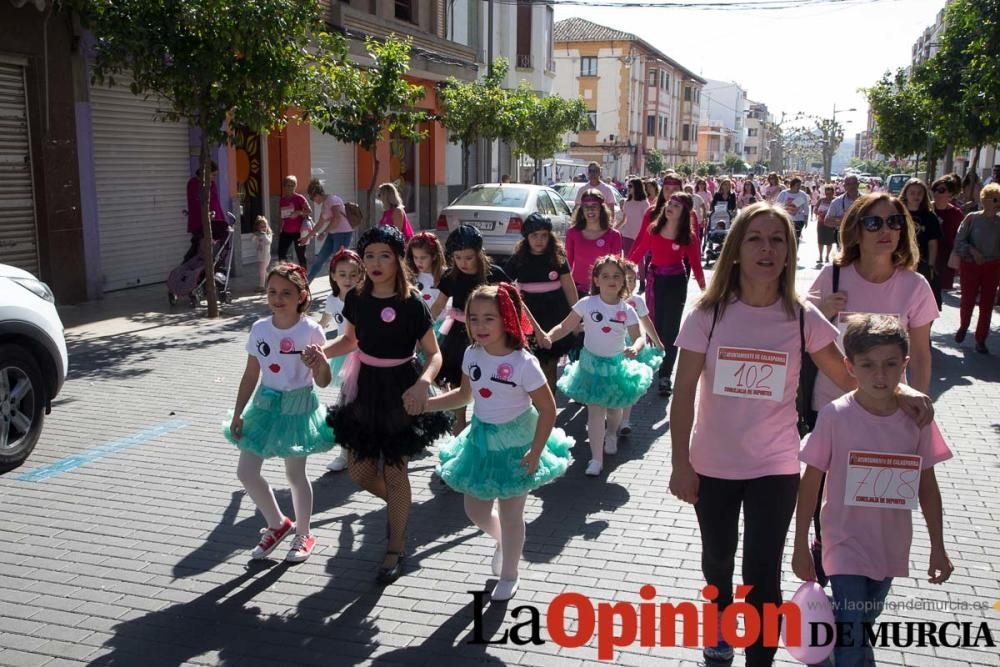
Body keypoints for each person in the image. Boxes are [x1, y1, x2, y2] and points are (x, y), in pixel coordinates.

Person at [793, 314, 953, 667]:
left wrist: (938, 547)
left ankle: (830, 633)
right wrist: (800, 542)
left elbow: (928, 486)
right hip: (843, 542)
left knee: (864, 619)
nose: (879, 376)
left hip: (890, 545)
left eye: (890, 364)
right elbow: (811, 480)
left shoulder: (917, 418)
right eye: (867, 365)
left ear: (904, 365)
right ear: (850, 366)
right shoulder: (836, 416)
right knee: (854, 634)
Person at [323, 225, 452, 584]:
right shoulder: (357, 298)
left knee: (397, 472)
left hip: (401, 389)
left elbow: (434, 355)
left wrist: (424, 384)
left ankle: (395, 545)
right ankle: (400, 508)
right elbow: (349, 341)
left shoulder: (412, 303)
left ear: (398, 259)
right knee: (359, 472)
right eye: (369, 256)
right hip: (363, 388)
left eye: (384, 255)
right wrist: (320, 353)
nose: (376, 262)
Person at [429, 284, 574, 601]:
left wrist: (536, 452)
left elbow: (548, 408)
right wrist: (426, 405)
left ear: (506, 318)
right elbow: (465, 395)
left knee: (511, 513)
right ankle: (505, 542)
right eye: (474, 318)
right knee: (475, 509)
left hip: (518, 442)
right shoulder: (471, 353)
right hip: (481, 441)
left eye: (488, 319)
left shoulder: (524, 362)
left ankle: (510, 573)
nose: (480, 326)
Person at [225, 263, 334, 563]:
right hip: (263, 406)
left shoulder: (311, 330)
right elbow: (250, 375)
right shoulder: (259, 328)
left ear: (301, 295)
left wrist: (320, 364)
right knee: (246, 472)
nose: (278, 298)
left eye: (286, 292)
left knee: (294, 474)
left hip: (298, 407)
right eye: (272, 291)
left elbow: (323, 381)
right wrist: (238, 413)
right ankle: (277, 523)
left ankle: (304, 532)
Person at [543, 255, 653, 477]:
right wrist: (549, 336)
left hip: (615, 367)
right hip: (590, 366)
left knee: (614, 411)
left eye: (616, 276)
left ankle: (611, 433)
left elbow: (638, 337)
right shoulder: (587, 303)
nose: (611, 280)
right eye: (605, 276)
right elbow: (565, 326)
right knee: (595, 411)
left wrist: (637, 348)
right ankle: (596, 459)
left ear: (623, 281)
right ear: (596, 280)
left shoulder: (627, 310)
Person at [430, 225, 511, 434]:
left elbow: (511, 306)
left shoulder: (494, 274)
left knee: (489, 385)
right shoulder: (451, 276)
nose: (462, 263)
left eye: (468, 257)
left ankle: (485, 429)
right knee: (460, 389)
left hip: (490, 336)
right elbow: (438, 305)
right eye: (457, 257)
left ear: (479, 253)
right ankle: (458, 436)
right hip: (459, 336)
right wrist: (421, 327)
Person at [626, 191, 706, 398]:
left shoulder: (688, 237)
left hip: (676, 282)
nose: (670, 206)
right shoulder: (654, 229)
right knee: (655, 327)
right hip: (656, 282)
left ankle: (665, 375)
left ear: (685, 213)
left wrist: (706, 290)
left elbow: (696, 264)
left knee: (671, 331)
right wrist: (624, 268)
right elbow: (640, 251)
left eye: (677, 206)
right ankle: (656, 364)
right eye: (670, 203)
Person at [504, 213, 579, 391]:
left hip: (554, 313)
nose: (539, 240)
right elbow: (504, 285)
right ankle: (531, 405)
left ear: (550, 236)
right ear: (526, 237)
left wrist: (576, 316)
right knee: (529, 362)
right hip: (528, 314)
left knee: (550, 363)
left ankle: (549, 406)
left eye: (544, 235)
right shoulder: (518, 259)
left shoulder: (557, 256)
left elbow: (569, 287)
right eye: (534, 235)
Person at [319, 249, 365, 473]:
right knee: (346, 404)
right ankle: (345, 453)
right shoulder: (332, 300)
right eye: (343, 274)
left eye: (353, 274)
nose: (348, 279)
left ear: (361, 276)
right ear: (333, 276)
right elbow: (324, 323)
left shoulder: (367, 298)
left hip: (369, 358)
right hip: (346, 358)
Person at [618, 259, 665, 434]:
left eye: (632, 279)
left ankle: (625, 421)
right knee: (617, 383)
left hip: (633, 347)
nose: (629, 284)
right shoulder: (609, 299)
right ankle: (613, 415)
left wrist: (658, 342)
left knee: (629, 384)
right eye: (625, 279)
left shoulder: (637, 300)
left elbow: (647, 322)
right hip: (614, 348)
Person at [953, 182, 1000, 353]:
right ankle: (964, 326)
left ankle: (981, 339)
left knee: (987, 304)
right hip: (971, 265)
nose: (998, 203)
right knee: (968, 300)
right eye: (995, 199)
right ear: (985, 200)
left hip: (993, 266)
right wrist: (972, 251)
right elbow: (959, 241)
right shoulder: (972, 218)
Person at [565, 189, 623, 295]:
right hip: (577, 290)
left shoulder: (614, 235)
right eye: (586, 207)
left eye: (594, 206)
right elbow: (567, 264)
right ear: (581, 210)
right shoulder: (572, 233)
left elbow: (616, 267)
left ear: (601, 209)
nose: (590, 210)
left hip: (604, 291)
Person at [900, 178, 943, 310]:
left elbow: (933, 242)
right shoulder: (898, 213)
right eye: (912, 193)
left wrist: (931, 265)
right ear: (905, 194)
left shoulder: (930, 217)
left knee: (921, 300)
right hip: (900, 261)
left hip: (922, 262)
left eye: (919, 193)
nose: (916, 196)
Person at [301, 179, 355, 283]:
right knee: (320, 259)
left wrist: (324, 232)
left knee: (338, 262)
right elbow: (320, 223)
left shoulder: (332, 200)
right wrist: (307, 237)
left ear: (317, 194)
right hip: (333, 234)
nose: (313, 201)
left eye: (312, 198)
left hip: (343, 233)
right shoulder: (325, 204)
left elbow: (337, 218)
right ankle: (305, 284)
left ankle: (341, 288)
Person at [184, 161, 227, 262]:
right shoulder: (193, 183)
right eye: (213, 174)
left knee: (213, 251)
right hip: (200, 223)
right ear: (206, 172)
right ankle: (188, 268)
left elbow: (217, 204)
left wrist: (222, 221)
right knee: (198, 249)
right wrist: (207, 216)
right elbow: (195, 204)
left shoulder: (212, 184)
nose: (214, 178)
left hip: (214, 223)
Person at [405, 231, 447, 327]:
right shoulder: (411, 276)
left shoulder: (445, 275)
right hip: (418, 325)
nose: (419, 262)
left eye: (423, 258)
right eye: (415, 257)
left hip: (442, 325)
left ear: (434, 256)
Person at [931, 176, 964, 292]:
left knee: (941, 295)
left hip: (946, 261)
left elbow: (961, 237)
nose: (936, 193)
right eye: (935, 190)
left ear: (950, 194)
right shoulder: (926, 209)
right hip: (928, 258)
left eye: (941, 190)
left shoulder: (956, 214)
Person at [277, 176, 311, 268]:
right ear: (284, 186)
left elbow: (309, 211)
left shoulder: (299, 198)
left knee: (301, 256)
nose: (290, 187)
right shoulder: (282, 200)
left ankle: (304, 277)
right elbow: (281, 216)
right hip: (286, 232)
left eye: (293, 185)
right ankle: (283, 274)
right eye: (288, 185)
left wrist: (298, 212)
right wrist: (280, 229)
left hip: (298, 232)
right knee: (281, 254)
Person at [618, 177, 651, 256]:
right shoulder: (626, 203)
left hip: (640, 237)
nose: (628, 188)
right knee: (627, 259)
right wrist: (614, 228)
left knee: (640, 262)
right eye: (628, 186)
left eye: (630, 186)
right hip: (627, 235)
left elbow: (648, 222)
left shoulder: (644, 203)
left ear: (637, 187)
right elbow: (624, 220)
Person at [823, 174, 861, 239]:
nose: (851, 186)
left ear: (858, 184)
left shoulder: (866, 200)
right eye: (848, 184)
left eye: (854, 183)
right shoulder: (837, 202)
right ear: (844, 186)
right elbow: (827, 221)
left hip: (861, 235)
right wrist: (843, 220)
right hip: (843, 235)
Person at [776, 177, 810, 243]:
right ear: (792, 185)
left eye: (800, 185)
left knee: (795, 239)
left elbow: (806, 208)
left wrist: (806, 219)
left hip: (798, 220)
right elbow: (777, 205)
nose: (799, 187)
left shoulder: (802, 195)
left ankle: (794, 252)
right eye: (797, 185)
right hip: (785, 219)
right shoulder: (784, 193)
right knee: (786, 238)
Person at [815, 184, 837, 265]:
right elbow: (815, 209)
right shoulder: (821, 200)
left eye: (830, 193)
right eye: (827, 193)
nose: (828, 195)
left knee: (829, 241)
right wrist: (818, 212)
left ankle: (827, 256)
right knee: (820, 240)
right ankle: (820, 256)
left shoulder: (836, 200)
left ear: (833, 193)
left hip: (831, 223)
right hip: (821, 223)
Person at [253, 216, 273, 292]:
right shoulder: (257, 235)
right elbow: (254, 242)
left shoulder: (268, 234)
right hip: (260, 256)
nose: (263, 228)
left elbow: (268, 242)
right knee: (263, 271)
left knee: (262, 271)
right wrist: (256, 237)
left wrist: (263, 235)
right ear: (258, 227)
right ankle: (270, 283)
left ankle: (261, 286)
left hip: (266, 257)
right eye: (261, 227)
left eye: (265, 226)